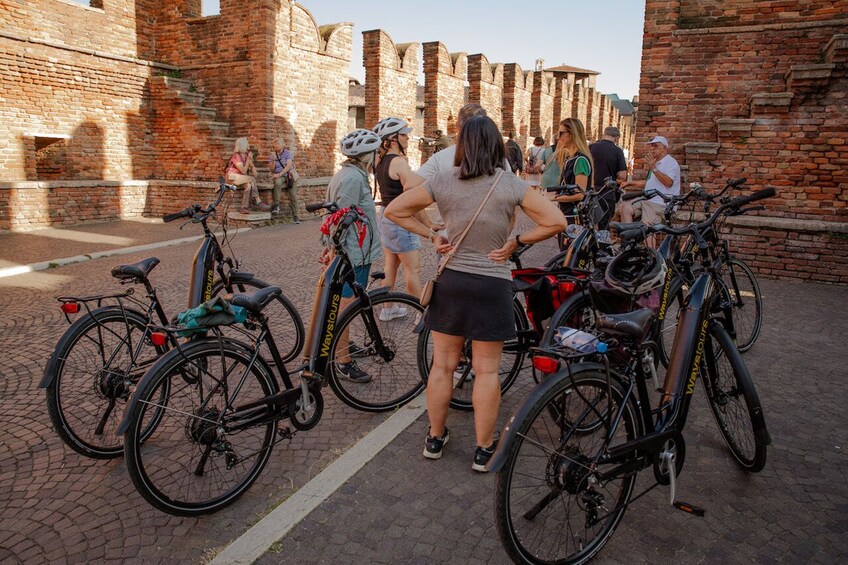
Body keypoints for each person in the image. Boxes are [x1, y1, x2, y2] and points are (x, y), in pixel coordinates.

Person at [385, 115, 567, 472]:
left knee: (442, 366)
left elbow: (394, 210)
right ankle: (483, 451)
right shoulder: (510, 184)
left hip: (451, 280)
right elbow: (557, 221)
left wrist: (432, 236)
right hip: (492, 282)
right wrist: (515, 242)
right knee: (485, 371)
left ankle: (435, 439)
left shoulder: (443, 180)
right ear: (497, 145)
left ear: (463, 145)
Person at [320, 129, 383, 383]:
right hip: (353, 255)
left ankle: (342, 347)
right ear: (368, 155)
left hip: (355, 252)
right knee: (345, 307)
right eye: (376, 152)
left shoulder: (349, 175)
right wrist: (332, 248)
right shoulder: (353, 180)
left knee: (347, 304)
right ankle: (343, 361)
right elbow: (340, 219)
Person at [372, 117, 442, 317]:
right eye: (404, 135)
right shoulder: (399, 162)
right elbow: (412, 197)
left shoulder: (381, 161)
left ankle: (388, 309)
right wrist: (427, 224)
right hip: (399, 221)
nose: (408, 139)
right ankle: (421, 313)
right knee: (413, 269)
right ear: (392, 139)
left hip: (385, 217)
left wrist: (428, 223)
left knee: (390, 265)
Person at [417, 103, 512, 179]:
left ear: (458, 126)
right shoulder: (500, 160)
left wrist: (403, 167)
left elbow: (411, 185)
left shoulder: (441, 158)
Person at [619, 135, 681, 226]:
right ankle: (630, 237)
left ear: (664, 148)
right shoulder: (655, 162)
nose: (652, 149)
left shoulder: (671, 162)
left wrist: (653, 168)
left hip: (660, 203)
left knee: (648, 227)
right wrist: (630, 183)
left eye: (656, 146)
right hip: (647, 200)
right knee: (625, 208)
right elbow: (650, 183)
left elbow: (668, 182)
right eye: (651, 146)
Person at [552, 118, 594, 224]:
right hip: (567, 214)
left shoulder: (580, 160)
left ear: (572, 134)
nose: (558, 137)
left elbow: (580, 194)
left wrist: (554, 198)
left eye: (561, 133)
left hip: (574, 217)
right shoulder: (570, 159)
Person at [589, 126, 628, 227]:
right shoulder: (617, 151)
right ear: (617, 138)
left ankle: (589, 242)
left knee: (589, 224)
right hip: (608, 191)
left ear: (604, 134)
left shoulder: (591, 147)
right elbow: (622, 175)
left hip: (590, 190)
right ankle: (602, 242)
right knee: (604, 226)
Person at [226, 137, 270, 213]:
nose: (249, 144)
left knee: (248, 186)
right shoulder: (236, 156)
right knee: (251, 179)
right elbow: (243, 171)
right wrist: (248, 160)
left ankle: (244, 208)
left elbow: (250, 164)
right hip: (232, 177)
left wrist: (253, 168)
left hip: (240, 178)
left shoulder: (246, 154)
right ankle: (258, 201)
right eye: (247, 143)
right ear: (243, 145)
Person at [267, 138, 300, 223]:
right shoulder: (272, 155)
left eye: (278, 143)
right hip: (279, 175)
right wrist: (273, 161)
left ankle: (295, 215)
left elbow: (288, 166)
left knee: (293, 195)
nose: (276, 145)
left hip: (289, 174)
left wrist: (279, 174)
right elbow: (271, 169)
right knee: (277, 183)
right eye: (275, 144)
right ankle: (276, 205)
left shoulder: (288, 153)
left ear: (283, 145)